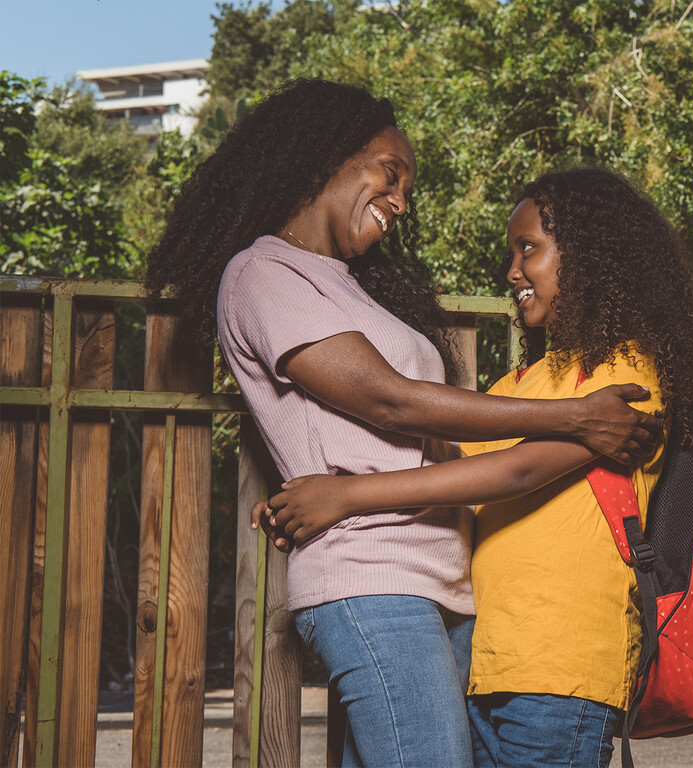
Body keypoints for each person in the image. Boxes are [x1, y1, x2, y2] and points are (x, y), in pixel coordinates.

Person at [143, 81, 662, 768]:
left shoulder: (347, 284)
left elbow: (429, 452)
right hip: (372, 576)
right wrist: (576, 415)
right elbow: (389, 401)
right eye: (392, 174)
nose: (402, 201)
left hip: (438, 580)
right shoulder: (264, 273)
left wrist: (345, 489)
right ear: (326, 158)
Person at [258, 167, 693, 767]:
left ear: (591, 256)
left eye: (529, 249)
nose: (513, 270)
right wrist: (306, 496)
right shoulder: (519, 385)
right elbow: (444, 475)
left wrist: (346, 498)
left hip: (565, 672)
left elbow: (515, 471)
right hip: (487, 666)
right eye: (511, 252)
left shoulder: (628, 376)